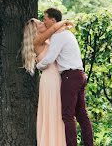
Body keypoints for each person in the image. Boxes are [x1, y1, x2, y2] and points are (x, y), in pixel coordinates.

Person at [36, 8, 94, 146]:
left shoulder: (58, 36)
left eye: (45, 18)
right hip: (80, 75)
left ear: (53, 20)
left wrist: (37, 65)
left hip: (70, 77)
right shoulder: (68, 34)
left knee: (67, 116)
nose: (44, 21)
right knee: (82, 115)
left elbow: (50, 58)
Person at [22, 15, 73, 146]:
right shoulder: (38, 41)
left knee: (58, 112)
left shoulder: (48, 41)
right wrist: (65, 22)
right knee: (53, 111)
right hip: (50, 80)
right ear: (35, 31)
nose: (44, 24)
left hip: (56, 78)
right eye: (40, 24)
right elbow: (54, 27)